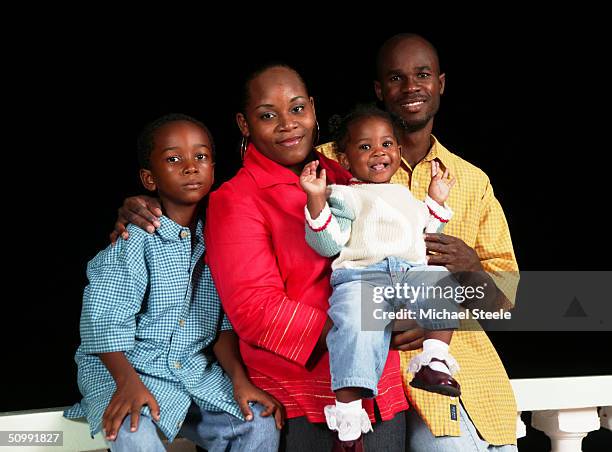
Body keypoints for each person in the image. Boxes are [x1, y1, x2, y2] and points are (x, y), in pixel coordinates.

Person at [112, 65, 410, 451]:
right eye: (268, 115)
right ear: (244, 123)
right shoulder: (236, 199)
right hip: (307, 395)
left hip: (379, 384)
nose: (288, 124)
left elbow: (402, 253)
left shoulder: (350, 172)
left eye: (297, 109)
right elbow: (255, 309)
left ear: (314, 109)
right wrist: (359, 329)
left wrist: (420, 315)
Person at [318, 34, 519, 451]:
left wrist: (469, 268)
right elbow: (269, 218)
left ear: (440, 83)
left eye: (422, 75)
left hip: (459, 367)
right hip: (365, 369)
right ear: (379, 90)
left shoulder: (470, 181)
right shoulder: (330, 162)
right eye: (396, 77)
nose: (411, 87)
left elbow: (506, 301)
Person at [65, 114, 283, 452]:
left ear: (213, 166)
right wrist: (127, 383)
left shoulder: (220, 240)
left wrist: (240, 382)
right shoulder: (133, 240)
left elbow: (225, 325)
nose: (190, 167)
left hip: (193, 372)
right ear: (149, 179)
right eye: (173, 159)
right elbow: (102, 321)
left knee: (257, 422)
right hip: (124, 370)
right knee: (132, 429)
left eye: (200, 156)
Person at [300, 104, 465, 444]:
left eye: (387, 144)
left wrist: (435, 200)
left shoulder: (407, 196)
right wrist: (316, 200)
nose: (379, 152)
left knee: (444, 291)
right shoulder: (345, 195)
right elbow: (327, 242)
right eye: (365, 146)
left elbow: (425, 234)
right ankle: (348, 412)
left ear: (399, 151)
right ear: (345, 160)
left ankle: (434, 360)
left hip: (410, 273)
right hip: (362, 276)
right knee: (354, 327)